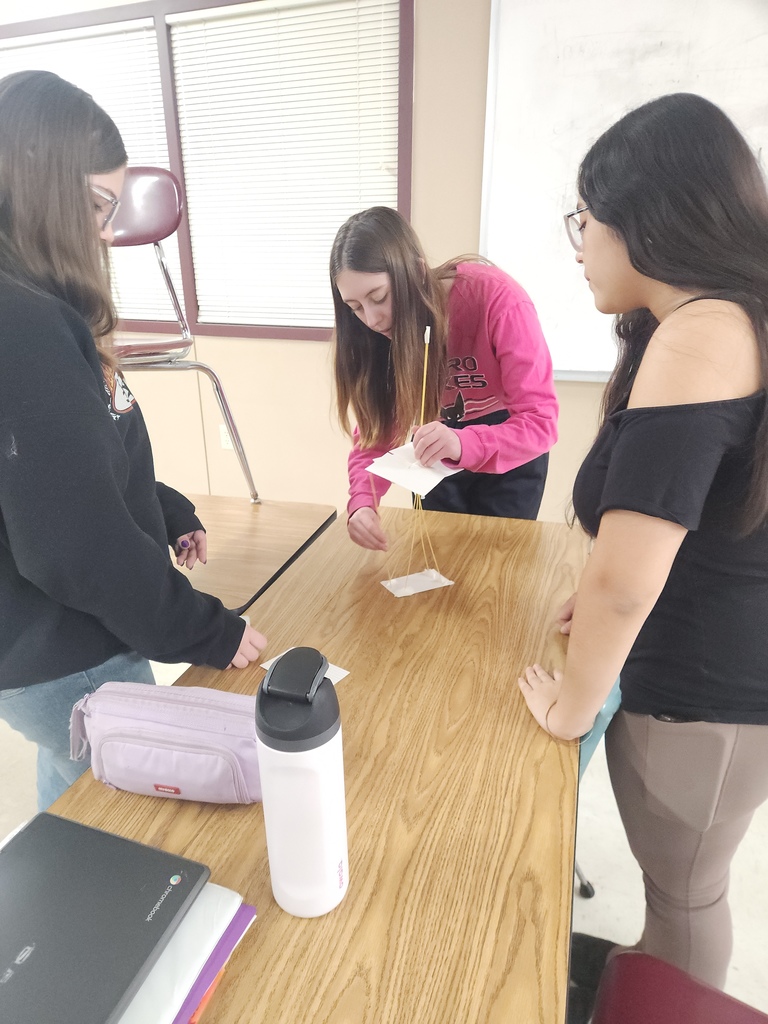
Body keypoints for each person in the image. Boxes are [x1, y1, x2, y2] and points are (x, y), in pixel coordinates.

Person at [518, 92, 768, 999]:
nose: (580, 244)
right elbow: (699, 517)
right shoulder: (725, 317)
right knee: (683, 894)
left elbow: (629, 577)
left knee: (686, 898)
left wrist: (573, 707)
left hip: (703, 701)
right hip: (718, 684)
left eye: (586, 220)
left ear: (647, 220)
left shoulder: (702, 333)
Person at [0, 70, 267, 811]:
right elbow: (73, 545)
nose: (106, 231)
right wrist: (204, 629)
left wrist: (163, 504)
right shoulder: (21, 324)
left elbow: (70, 470)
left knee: (76, 800)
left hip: (55, 653)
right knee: (143, 822)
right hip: (70, 655)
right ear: (37, 183)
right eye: (94, 205)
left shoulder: (38, 307)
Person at [330, 207, 558, 551]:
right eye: (356, 307)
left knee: (495, 573)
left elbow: (541, 423)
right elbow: (376, 428)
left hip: (509, 448)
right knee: (437, 561)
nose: (372, 320)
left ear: (418, 272)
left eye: (379, 298)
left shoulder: (497, 299)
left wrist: (465, 444)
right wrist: (362, 500)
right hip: (435, 444)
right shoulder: (376, 334)